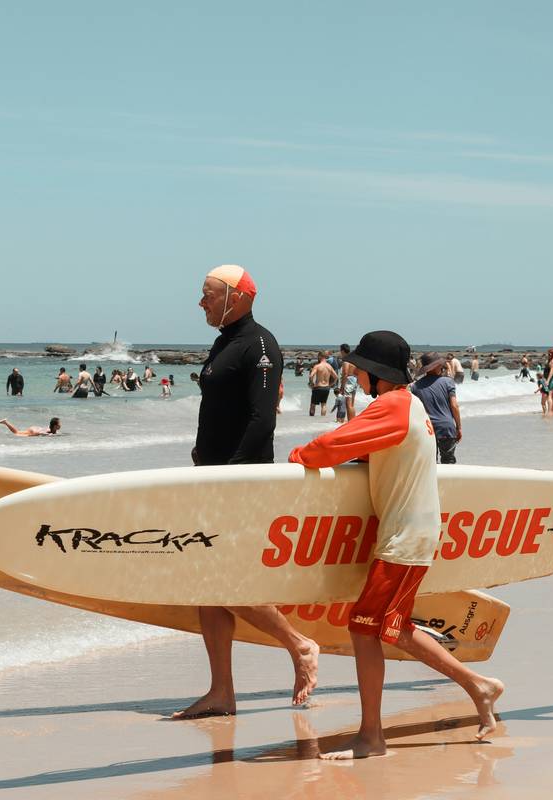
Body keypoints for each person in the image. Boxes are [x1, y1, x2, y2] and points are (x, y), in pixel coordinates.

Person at [289, 330, 503, 758]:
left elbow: (328, 446)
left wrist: (296, 460)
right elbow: (372, 450)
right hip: (413, 534)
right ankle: (480, 687)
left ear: (376, 374)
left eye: (363, 369)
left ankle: (372, 737)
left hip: (404, 540)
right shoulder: (411, 404)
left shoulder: (390, 406)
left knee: (363, 629)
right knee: (394, 630)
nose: (358, 375)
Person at [180, 264, 318, 720]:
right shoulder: (225, 342)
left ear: (236, 297)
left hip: (240, 480)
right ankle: (221, 691)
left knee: (223, 579)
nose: (200, 302)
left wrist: (234, 474)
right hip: (215, 475)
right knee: (207, 584)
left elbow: (263, 419)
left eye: (207, 295)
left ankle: (299, 645)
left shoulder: (260, 344)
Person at [412, 352, 462, 464]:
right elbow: (454, 406)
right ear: (437, 366)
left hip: (427, 430)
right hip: (446, 428)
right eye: (440, 364)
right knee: (448, 462)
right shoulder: (448, 382)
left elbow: (415, 411)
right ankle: (449, 482)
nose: (442, 366)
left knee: (430, 465)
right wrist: (458, 427)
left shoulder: (416, 387)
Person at [307, 352, 336, 416]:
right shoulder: (329, 366)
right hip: (326, 388)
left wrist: (312, 384)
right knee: (324, 405)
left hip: (318, 387)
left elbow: (311, 376)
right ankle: (322, 421)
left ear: (320, 356)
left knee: (313, 405)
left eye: (318, 356)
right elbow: (336, 377)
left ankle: (311, 420)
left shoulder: (317, 366)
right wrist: (330, 384)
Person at [339, 343, 360, 420]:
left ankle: (350, 423)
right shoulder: (353, 360)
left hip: (349, 381)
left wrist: (342, 387)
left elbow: (345, 373)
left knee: (348, 404)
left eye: (340, 351)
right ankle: (352, 421)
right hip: (354, 380)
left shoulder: (346, 361)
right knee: (351, 404)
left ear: (343, 351)